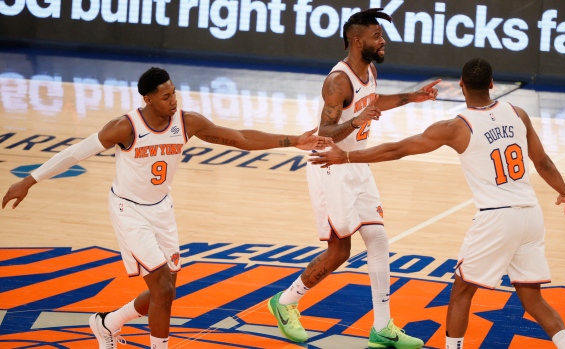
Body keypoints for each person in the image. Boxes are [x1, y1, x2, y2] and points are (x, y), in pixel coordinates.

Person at [1, 67, 329, 349]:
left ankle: (108, 322)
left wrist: (291, 141)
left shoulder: (186, 122)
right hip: (129, 210)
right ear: (148, 99)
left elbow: (239, 137)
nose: (173, 101)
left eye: (174, 94)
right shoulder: (125, 127)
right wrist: (30, 180)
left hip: (162, 209)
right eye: (166, 97)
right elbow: (74, 153)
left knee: (166, 292)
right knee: (160, 286)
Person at [309, 57, 565, 349]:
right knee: (533, 300)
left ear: (461, 86)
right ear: (492, 85)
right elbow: (542, 161)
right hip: (531, 216)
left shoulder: (456, 127)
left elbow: (397, 149)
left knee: (462, 292)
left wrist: (346, 156)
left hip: (497, 218)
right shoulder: (518, 113)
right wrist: (564, 191)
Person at [266, 8, 439, 349]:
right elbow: (326, 130)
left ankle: (382, 327)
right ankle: (284, 303)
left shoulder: (369, 69)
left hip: (355, 164)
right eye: (377, 36)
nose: (383, 40)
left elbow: (374, 101)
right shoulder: (338, 81)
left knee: (378, 240)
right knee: (340, 251)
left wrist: (413, 96)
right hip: (330, 167)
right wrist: (358, 120)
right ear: (357, 41)